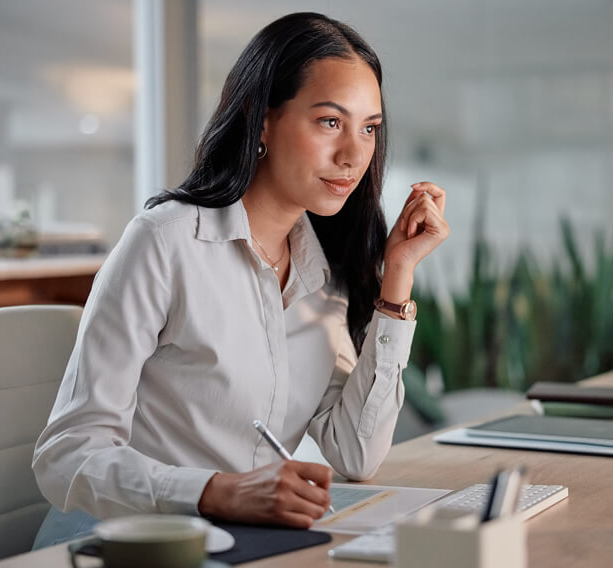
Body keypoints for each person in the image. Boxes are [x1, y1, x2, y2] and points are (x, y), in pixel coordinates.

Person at [31, 11, 449, 547]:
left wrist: (397, 276)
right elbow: (66, 457)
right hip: (119, 545)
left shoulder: (326, 272)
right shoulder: (165, 241)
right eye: (329, 122)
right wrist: (217, 492)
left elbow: (356, 453)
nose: (353, 155)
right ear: (263, 119)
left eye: (368, 128)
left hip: (240, 544)